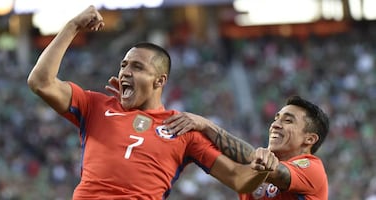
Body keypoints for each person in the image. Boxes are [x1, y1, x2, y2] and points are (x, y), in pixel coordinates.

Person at [27, 5, 279, 199]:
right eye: (124, 65)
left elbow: (237, 177)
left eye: (137, 67)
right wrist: (72, 25)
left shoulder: (182, 129)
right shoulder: (95, 106)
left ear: (159, 81)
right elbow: (40, 82)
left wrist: (265, 166)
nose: (125, 72)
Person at [164, 96, 329, 199]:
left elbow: (270, 167)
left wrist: (206, 125)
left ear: (309, 139)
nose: (275, 125)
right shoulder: (253, 170)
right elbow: (237, 173)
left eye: (287, 120)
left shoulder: (312, 168)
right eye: (276, 118)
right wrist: (192, 138)